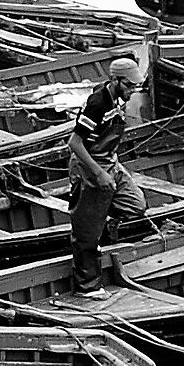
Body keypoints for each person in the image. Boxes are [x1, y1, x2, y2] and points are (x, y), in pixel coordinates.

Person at [69, 55, 144, 295]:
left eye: (135, 86)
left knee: (136, 205)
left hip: (110, 161)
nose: (133, 91)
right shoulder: (97, 103)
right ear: (114, 80)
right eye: (129, 85)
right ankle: (87, 287)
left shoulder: (119, 99)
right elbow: (75, 143)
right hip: (88, 166)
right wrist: (99, 173)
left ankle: (103, 222)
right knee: (86, 233)